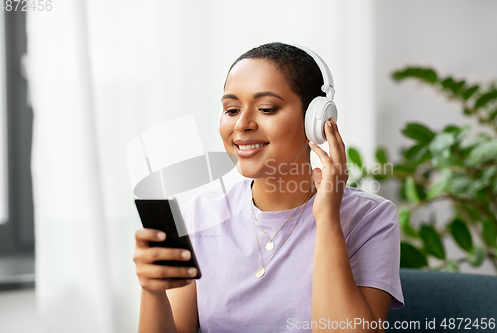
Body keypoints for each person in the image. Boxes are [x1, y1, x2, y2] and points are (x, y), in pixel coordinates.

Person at [133, 42, 404, 333]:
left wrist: (327, 219)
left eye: (266, 108)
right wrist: (152, 291)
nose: (242, 124)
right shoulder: (201, 213)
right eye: (232, 109)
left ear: (317, 120)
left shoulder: (371, 218)